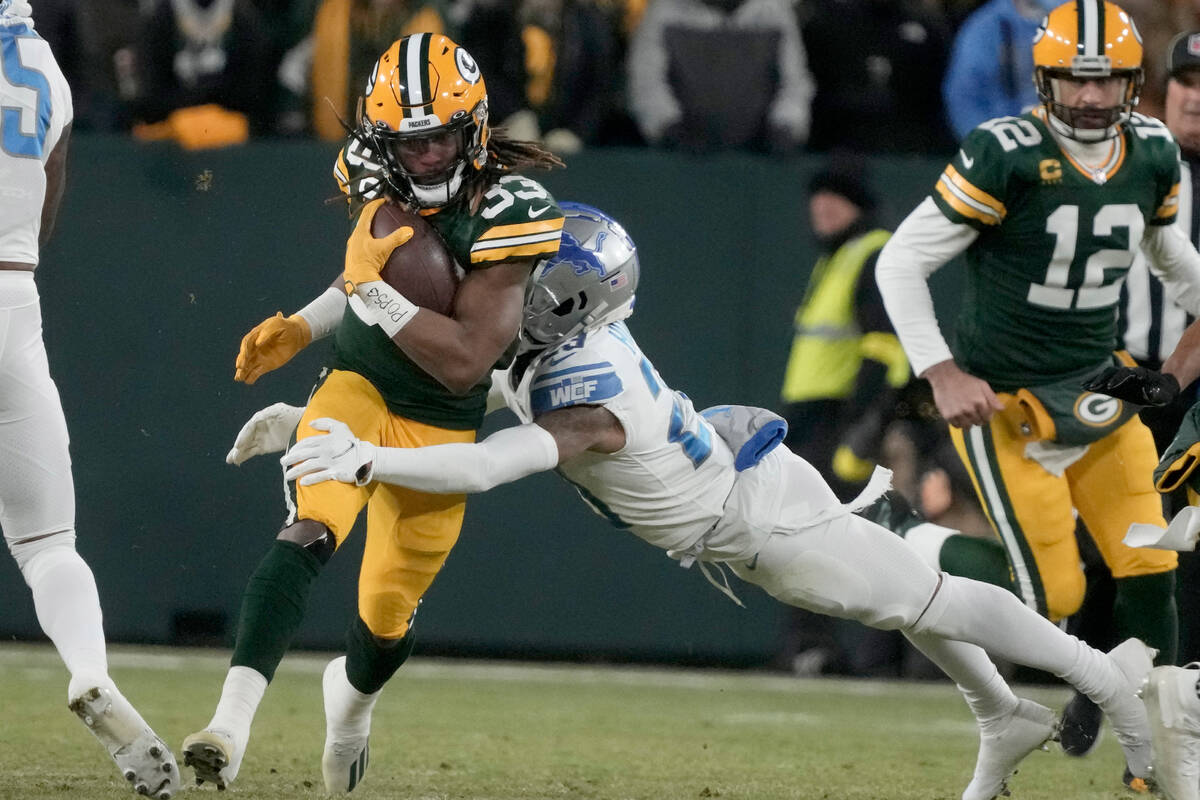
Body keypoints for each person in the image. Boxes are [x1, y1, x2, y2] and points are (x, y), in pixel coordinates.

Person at [253, 203, 1171, 800]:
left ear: (567, 299)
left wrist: (367, 458)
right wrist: (314, 414)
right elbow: (469, 404)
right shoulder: (550, 352)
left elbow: (486, 467)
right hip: (736, 489)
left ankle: (1097, 677)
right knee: (902, 595)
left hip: (756, 521)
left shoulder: (584, 389)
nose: (503, 280)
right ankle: (1002, 717)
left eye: (529, 273)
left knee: (926, 597)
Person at [181, 32, 565, 793]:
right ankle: (229, 724)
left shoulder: (513, 209)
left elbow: (461, 356)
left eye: (441, 140)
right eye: (407, 143)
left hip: (442, 424)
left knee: (386, 618)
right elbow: (378, 273)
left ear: (476, 128)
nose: (424, 159)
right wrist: (306, 323)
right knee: (311, 525)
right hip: (358, 386)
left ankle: (351, 712)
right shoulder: (371, 171)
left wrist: (367, 291)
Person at [875, 0, 1200, 789]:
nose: (1090, 98)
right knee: (1049, 599)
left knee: (1152, 558)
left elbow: (1166, 252)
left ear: (1132, 82)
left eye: (1106, 81)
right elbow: (898, 264)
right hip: (1007, 397)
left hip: (1097, 381)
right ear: (1044, 78)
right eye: (1074, 81)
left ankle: (1145, 738)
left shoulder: (1151, 151)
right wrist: (942, 372)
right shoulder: (1004, 152)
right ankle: (908, 533)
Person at [0, 2, 179, 797]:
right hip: (13, 303)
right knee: (47, 544)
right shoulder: (47, 71)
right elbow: (44, 213)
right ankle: (89, 671)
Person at [941, 0, 1056, 139]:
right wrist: (989, 147)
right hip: (1008, 142)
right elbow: (963, 96)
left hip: (1071, 143)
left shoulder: (1072, 16)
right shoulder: (986, 26)